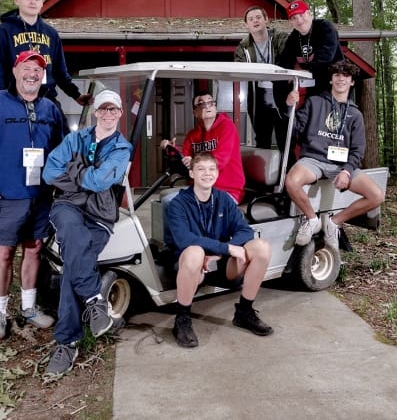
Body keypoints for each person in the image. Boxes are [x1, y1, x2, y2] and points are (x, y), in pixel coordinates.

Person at [0, 50, 65, 341]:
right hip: (5, 196)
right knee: (4, 253)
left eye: (38, 69)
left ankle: (29, 308)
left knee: (33, 249)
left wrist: (62, 182)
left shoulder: (50, 109)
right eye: (27, 67)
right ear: (15, 70)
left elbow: (60, 152)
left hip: (41, 195)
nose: (32, 74)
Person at [42, 89, 132, 377]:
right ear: (95, 112)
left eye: (113, 110)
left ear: (119, 113)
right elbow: (48, 171)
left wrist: (75, 173)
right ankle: (95, 301)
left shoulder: (121, 148)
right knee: (70, 230)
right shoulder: (75, 139)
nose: (107, 114)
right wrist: (85, 178)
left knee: (73, 262)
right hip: (67, 207)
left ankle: (67, 342)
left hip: (99, 216)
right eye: (103, 109)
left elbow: (99, 180)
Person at [164, 152, 273, 348]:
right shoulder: (178, 203)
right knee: (195, 251)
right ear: (191, 173)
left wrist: (219, 253)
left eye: (211, 169)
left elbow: (245, 230)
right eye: (201, 169)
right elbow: (184, 239)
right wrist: (226, 247)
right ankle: (182, 319)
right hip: (192, 268)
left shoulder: (223, 200)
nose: (207, 174)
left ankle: (244, 312)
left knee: (261, 248)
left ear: (217, 173)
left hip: (220, 264)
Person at [284, 60, 385, 248]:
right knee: (291, 181)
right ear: (331, 80)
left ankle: (333, 223)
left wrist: (347, 171)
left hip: (341, 164)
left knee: (376, 195)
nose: (341, 79)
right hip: (313, 159)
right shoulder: (314, 102)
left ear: (352, 82)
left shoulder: (355, 114)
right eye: (337, 75)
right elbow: (295, 127)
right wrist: (289, 107)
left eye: (346, 76)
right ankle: (312, 220)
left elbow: (358, 150)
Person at [0, 0, 91, 108]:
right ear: (17, 0)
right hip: (14, 100)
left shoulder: (51, 34)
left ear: (42, 2)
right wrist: (2, 103)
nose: (33, 2)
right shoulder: (4, 32)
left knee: (62, 127)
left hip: (46, 100)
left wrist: (76, 95)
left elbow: (60, 72)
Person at [162, 91, 246, 203]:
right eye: (201, 104)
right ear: (195, 112)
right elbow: (185, 161)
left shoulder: (227, 127)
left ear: (215, 107)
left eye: (210, 102)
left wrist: (193, 162)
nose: (207, 106)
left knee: (184, 206)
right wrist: (171, 150)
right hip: (201, 190)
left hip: (226, 190)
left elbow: (220, 161)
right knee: (168, 201)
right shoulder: (192, 135)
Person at [234, 6, 289, 149]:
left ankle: (288, 171)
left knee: (286, 141)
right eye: (251, 19)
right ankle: (265, 171)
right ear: (246, 25)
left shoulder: (280, 38)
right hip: (259, 100)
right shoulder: (243, 47)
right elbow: (240, 70)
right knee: (262, 142)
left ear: (266, 20)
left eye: (258, 17)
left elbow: (287, 61)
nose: (255, 21)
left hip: (282, 97)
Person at [275, 0, 344, 100]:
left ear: (309, 13)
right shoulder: (293, 38)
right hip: (312, 88)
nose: (299, 20)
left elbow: (325, 56)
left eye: (301, 15)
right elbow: (285, 61)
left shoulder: (325, 28)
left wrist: (305, 72)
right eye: (294, 18)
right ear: (291, 22)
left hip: (336, 85)